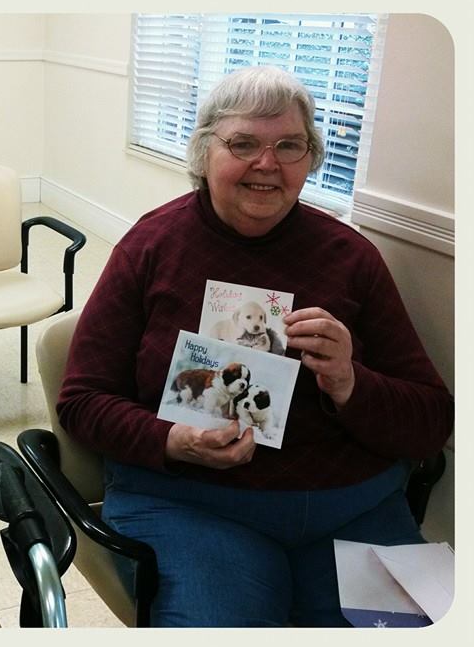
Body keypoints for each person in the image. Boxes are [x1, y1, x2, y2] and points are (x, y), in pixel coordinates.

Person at [56, 66, 453, 627]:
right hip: (193, 505)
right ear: (203, 154)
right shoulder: (151, 246)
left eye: (289, 145)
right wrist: (175, 440)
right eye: (243, 143)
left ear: (311, 158)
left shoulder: (350, 258)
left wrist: (349, 382)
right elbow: (82, 400)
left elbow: (431, 422)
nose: (267, 164)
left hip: (350, 508)